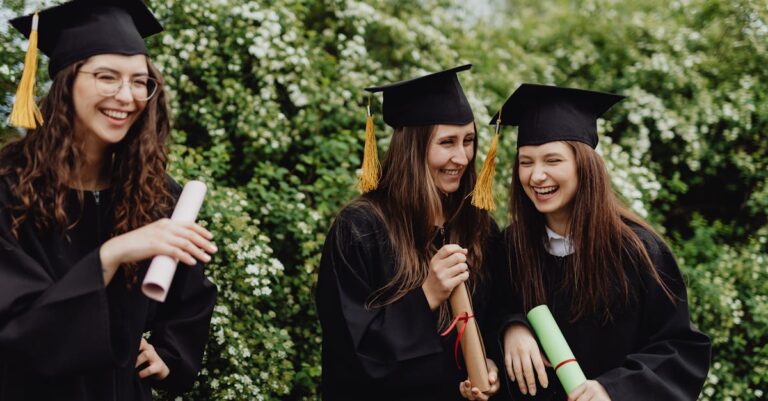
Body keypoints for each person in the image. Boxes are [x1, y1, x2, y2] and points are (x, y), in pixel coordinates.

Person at [0, 0, 217, 399]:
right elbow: (18, 329)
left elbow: (193, 294)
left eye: (140, 81)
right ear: (66, 81)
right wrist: (109, 256)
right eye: (106, 77)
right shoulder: (8, 190)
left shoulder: (154, 192)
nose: (127, 95)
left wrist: (169, 353)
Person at [489, 84, 711, 401]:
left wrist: (614, 389)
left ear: (585, 166)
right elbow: (491, 310)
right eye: (526, 162)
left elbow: (679, 349)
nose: (537, 176)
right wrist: (511, 328)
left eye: (552, 160)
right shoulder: (510, 247)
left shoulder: (637, 250)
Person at [315, 65, 502, 401]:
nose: (461, 157)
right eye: (447, 142)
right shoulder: (360, 228)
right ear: (412, 149)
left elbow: (494, 320)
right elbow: (348, 352)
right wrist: (427, 295)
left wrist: (489, 364)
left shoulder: (478, 227)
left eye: (469, 141)